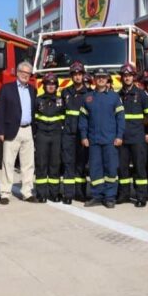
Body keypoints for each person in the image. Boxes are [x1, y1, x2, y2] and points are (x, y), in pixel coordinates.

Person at [79, 67, 125, 209]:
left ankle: (110, 197)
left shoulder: (114, 97)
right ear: (94, 79)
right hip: (93, 141)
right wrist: (83, 136)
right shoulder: (88, 97)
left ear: (107, 80)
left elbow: (121, 118)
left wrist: (119, 136)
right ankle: (96, 196)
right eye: (98, 77)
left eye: (103, 77)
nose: (101, 79)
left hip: (110, 140)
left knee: (111, 169)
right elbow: (83, 119)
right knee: (95, 169)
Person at [0, 61, 36, 204]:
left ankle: (26, 192)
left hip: (28, 129)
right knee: (8, 162)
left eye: (28, 73)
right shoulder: (7, 88)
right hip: (11, 130)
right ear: (18, 73)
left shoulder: (32, 89)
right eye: (24, 73)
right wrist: (0, 131)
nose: (26, 75)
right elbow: (0, 111)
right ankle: (5, 193)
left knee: (28, 164)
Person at [117, 63, 148, 206]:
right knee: (122, 169)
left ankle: (141, 197)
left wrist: (140, 125)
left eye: (129, 75)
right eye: (124, 76)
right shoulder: (117, 95)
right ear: (122, 78)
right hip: (122, 139)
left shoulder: (141, 94)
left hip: (137, 138)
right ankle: (124, 195)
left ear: (133, 77)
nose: (127, 78)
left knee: (140, 168)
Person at [33, 73, 65, 203]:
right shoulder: (38, 100)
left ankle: (54, 193)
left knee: (55, 165)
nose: (51, 86)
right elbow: (33, 119)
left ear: (56, 86)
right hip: (41, 136)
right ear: (44, 85)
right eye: (48, 84)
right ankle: (41, 193)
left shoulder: (61, 101)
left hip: (56, 135)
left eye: (53, 84)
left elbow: (64, 118)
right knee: (41, 164)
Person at [60, 61, 89, 203]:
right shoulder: (65, 92)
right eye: (75, 74)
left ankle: (80, 193)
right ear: (71, 76)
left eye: (79, 74)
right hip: (68, 134)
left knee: (81, 165)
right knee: (68, 163)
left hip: (82, 135)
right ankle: (68, 194)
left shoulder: (89, 94)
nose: (77, 77)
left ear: (83, 75)